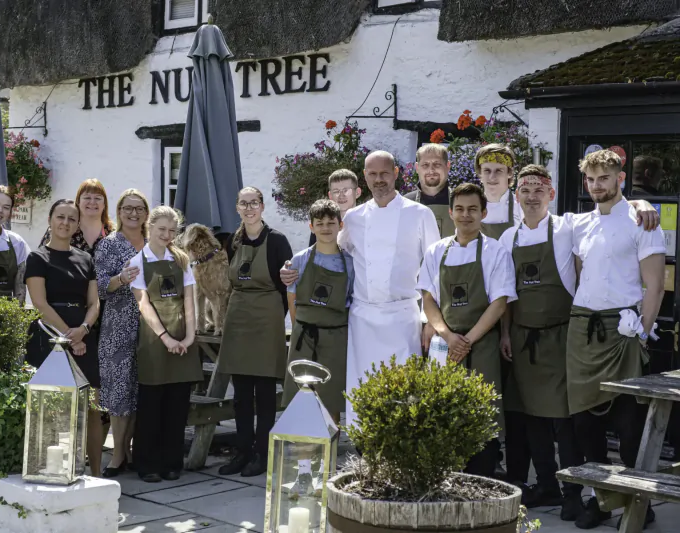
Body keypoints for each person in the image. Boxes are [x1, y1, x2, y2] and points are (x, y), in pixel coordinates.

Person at [498, 165, 660, 519]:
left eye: (539, 188)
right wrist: (508, 333)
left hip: (567, 333)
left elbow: (610, 210)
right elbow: (507, 294)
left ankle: (591, 495)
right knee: (543, 418)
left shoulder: (566, 226)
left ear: (552, 194)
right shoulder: (508, 237)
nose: (531, 194)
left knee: (584, 420)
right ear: (516, 195)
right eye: (524, 188)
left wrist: (641, 202)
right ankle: (559, 488)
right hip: (530, 338)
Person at [282, 151, 441, 427]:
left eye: (384, 173)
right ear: (365, 178)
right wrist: (292, 267)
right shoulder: (354, 217)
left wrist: (430, 320)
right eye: (372, 174)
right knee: (362, 392)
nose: (379, 180)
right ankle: (363, 453)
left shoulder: (420, 214)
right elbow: (329, 251)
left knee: (404, 397)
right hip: (362, 320)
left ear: (396, 173)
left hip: (403, 317)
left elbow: (435, 269)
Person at [567, 150, 665, 529]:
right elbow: (579, 276)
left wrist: (642, 332)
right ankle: (600, 499)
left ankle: (639, 502)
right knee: (584, 426)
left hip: (622, 331)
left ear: (620, 178)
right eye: (591, 180)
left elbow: (654, 286)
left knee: (628, 426)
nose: (596, 186)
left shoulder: (642, 221)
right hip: (582, 330)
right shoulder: (579, 224)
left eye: (604, 178)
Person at [418, 183, 517, 478]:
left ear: (483, 213)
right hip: (444, 344)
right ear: (451, 213)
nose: (466, 215)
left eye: (473, 209)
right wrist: (448, 336)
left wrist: (467, 341)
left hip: (482, 344)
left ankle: (481, 479)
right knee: (442, 413)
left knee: (481, 416)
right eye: (459, 209)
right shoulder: (437, 251)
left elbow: (499, 303)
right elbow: (428, 299)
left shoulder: (495, 251)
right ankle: (445, 478)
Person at [217, 186, 293, 477]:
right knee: (241, 394)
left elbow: (287, 287)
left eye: (254, 203)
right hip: (238, 317)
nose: (249, 208)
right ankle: (242, 452)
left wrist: (276, 318)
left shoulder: (276, 241)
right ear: (237, 208)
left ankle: (262, 454)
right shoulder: (233, 241)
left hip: (266, 318)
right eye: (243, 204)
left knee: (263, 392)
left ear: (262, 206)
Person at [25, 199, 103, 477]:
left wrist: (83, 329)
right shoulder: (37, 258)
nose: (66, 223)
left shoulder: (86, 259)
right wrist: (70, 338)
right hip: (49, 337)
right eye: (61, 217)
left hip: (84, 334)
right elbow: (40, 304)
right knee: (54, 406)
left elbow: (94, 303)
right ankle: (54, 469)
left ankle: (96, 473)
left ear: (78, 224)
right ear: (50, 219)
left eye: (72, 219)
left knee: (93, 407)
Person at [129, 206, 201, 483]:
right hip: (154, 338)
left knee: (177, 405)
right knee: (151, 405)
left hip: (183, 337)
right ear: (150, 227)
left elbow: (189, 300)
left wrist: (189, 337)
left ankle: (173, 462)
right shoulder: (137, 262)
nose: (167, 235)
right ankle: (147, 464)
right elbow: (143, 304)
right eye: (162, 229)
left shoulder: (182, 260)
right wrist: (166, 338)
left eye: (172, 230)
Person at [283, 199, 354, 422]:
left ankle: (329, 452)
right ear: (311, 226)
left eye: (331, 223)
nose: (325, 228)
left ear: (340, 225)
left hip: (336, 338)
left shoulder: (350, 263)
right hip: (304, 337)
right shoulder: (300, 260)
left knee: (331, 400)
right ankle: (304, 454)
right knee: (301, 399)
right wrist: (300, 330)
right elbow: (292, 299)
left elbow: (351, 299)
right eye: (320, 223)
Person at [95, 189, 149, 478]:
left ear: (146, 213)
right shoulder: (109, 245)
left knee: (140, 389)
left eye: (139, 208)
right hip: (118, 325)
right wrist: (121, 278)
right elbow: (100, 287)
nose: (133, 213)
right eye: (128, 208)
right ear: (119, 211)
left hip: (151, 326)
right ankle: (117, 455)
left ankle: (131, 450)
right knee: (118, 391)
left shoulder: (154, 243)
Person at [40, 178, 114, 254]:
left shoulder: (114, 234)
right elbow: (42, 258)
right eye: (87, 197)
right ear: (78, 202)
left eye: (97, 198)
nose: (92, 202)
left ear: (104, 204)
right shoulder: (60, 229)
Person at [404, 143, 455, 238]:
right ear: (417, 168)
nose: (431, 170)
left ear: (448, 166)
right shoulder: (405, 204)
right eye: (425, 165)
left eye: (437, 164)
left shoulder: (460, 201)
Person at [475, 144, 523, 240]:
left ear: (509, 173)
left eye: (498, 171)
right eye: (487, 171)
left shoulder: (521, 207)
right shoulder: (471, 207)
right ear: (480, 173)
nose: (492, 177)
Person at [308, 169, 362, 246]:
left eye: (346, 190)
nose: (341, 195)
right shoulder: (322, 226)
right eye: (336, 191)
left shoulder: (367, 221)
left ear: (357, 192)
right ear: (330, 195)